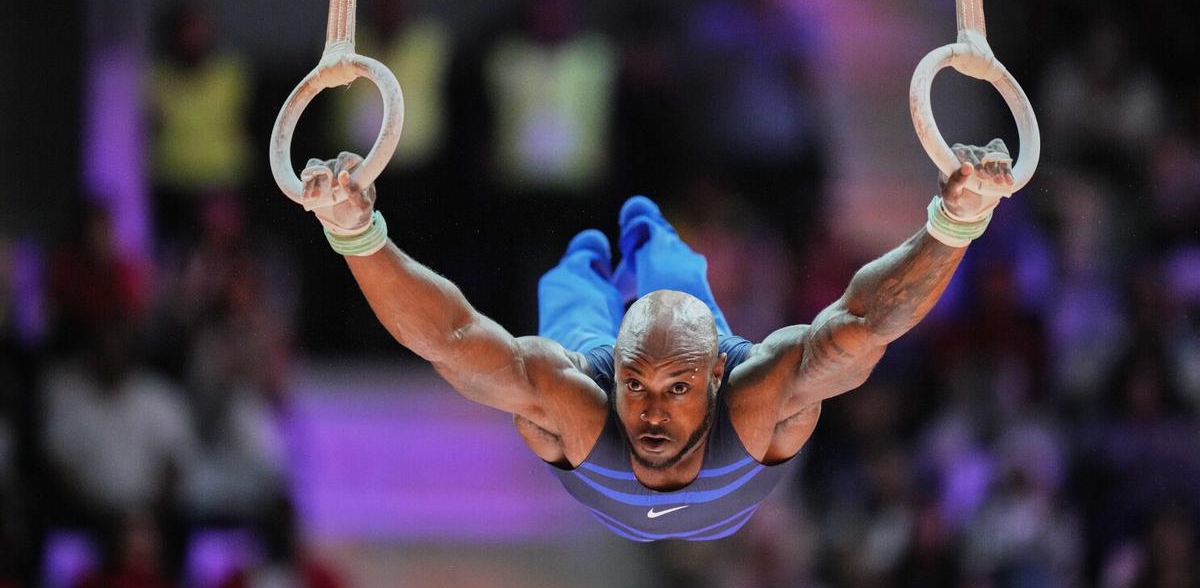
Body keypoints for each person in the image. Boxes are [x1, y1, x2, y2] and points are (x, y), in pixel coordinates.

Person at [296, 139, 1014, 541]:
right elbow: (451, 339)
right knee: (571, 291)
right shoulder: (585, 395)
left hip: (691, 344)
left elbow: (863, 325)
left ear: (713, 380)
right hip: (603, 354)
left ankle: (647, 235)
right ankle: (609, 256)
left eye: (674, 390)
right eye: (636, 388)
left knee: (664, 263)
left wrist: (956, 223)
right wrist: (356, 233)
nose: (649, 412)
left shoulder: (755, 391)